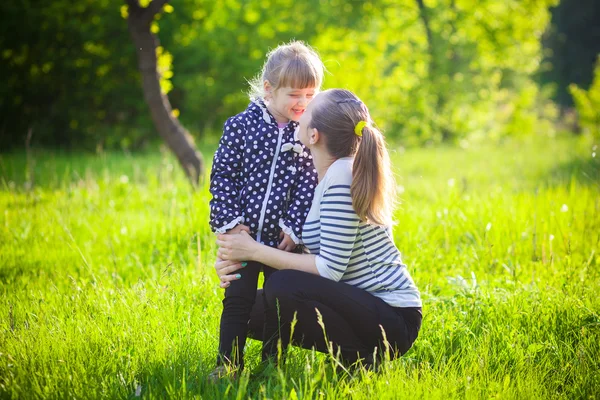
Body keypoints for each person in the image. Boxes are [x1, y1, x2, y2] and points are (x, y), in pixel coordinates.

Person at [216, 89, 422, 371]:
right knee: (251, 311)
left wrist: (254, 250)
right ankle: (341, 358)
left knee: (282, 285)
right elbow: (305, 252)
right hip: (363, 308)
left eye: (309, 108)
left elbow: (330, 269)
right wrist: (234, 255)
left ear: (314, 136)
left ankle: (358, 359)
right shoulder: (325, 175)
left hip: (392, 318)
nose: (301, 109)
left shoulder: (341, 176)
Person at [208, 41, 324, 378]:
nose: (302, 103)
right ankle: (228, 364)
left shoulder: (308, 131)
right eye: (294, 95)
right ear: (269, 89)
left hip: (282, 243)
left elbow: (310, 181)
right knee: (237, 301)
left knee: (280, 302)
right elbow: (223, 176)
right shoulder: (241, 126)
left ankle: (272, 365)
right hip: (243, 236)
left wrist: (293, 226)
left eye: (309, 94)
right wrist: (228, 225)